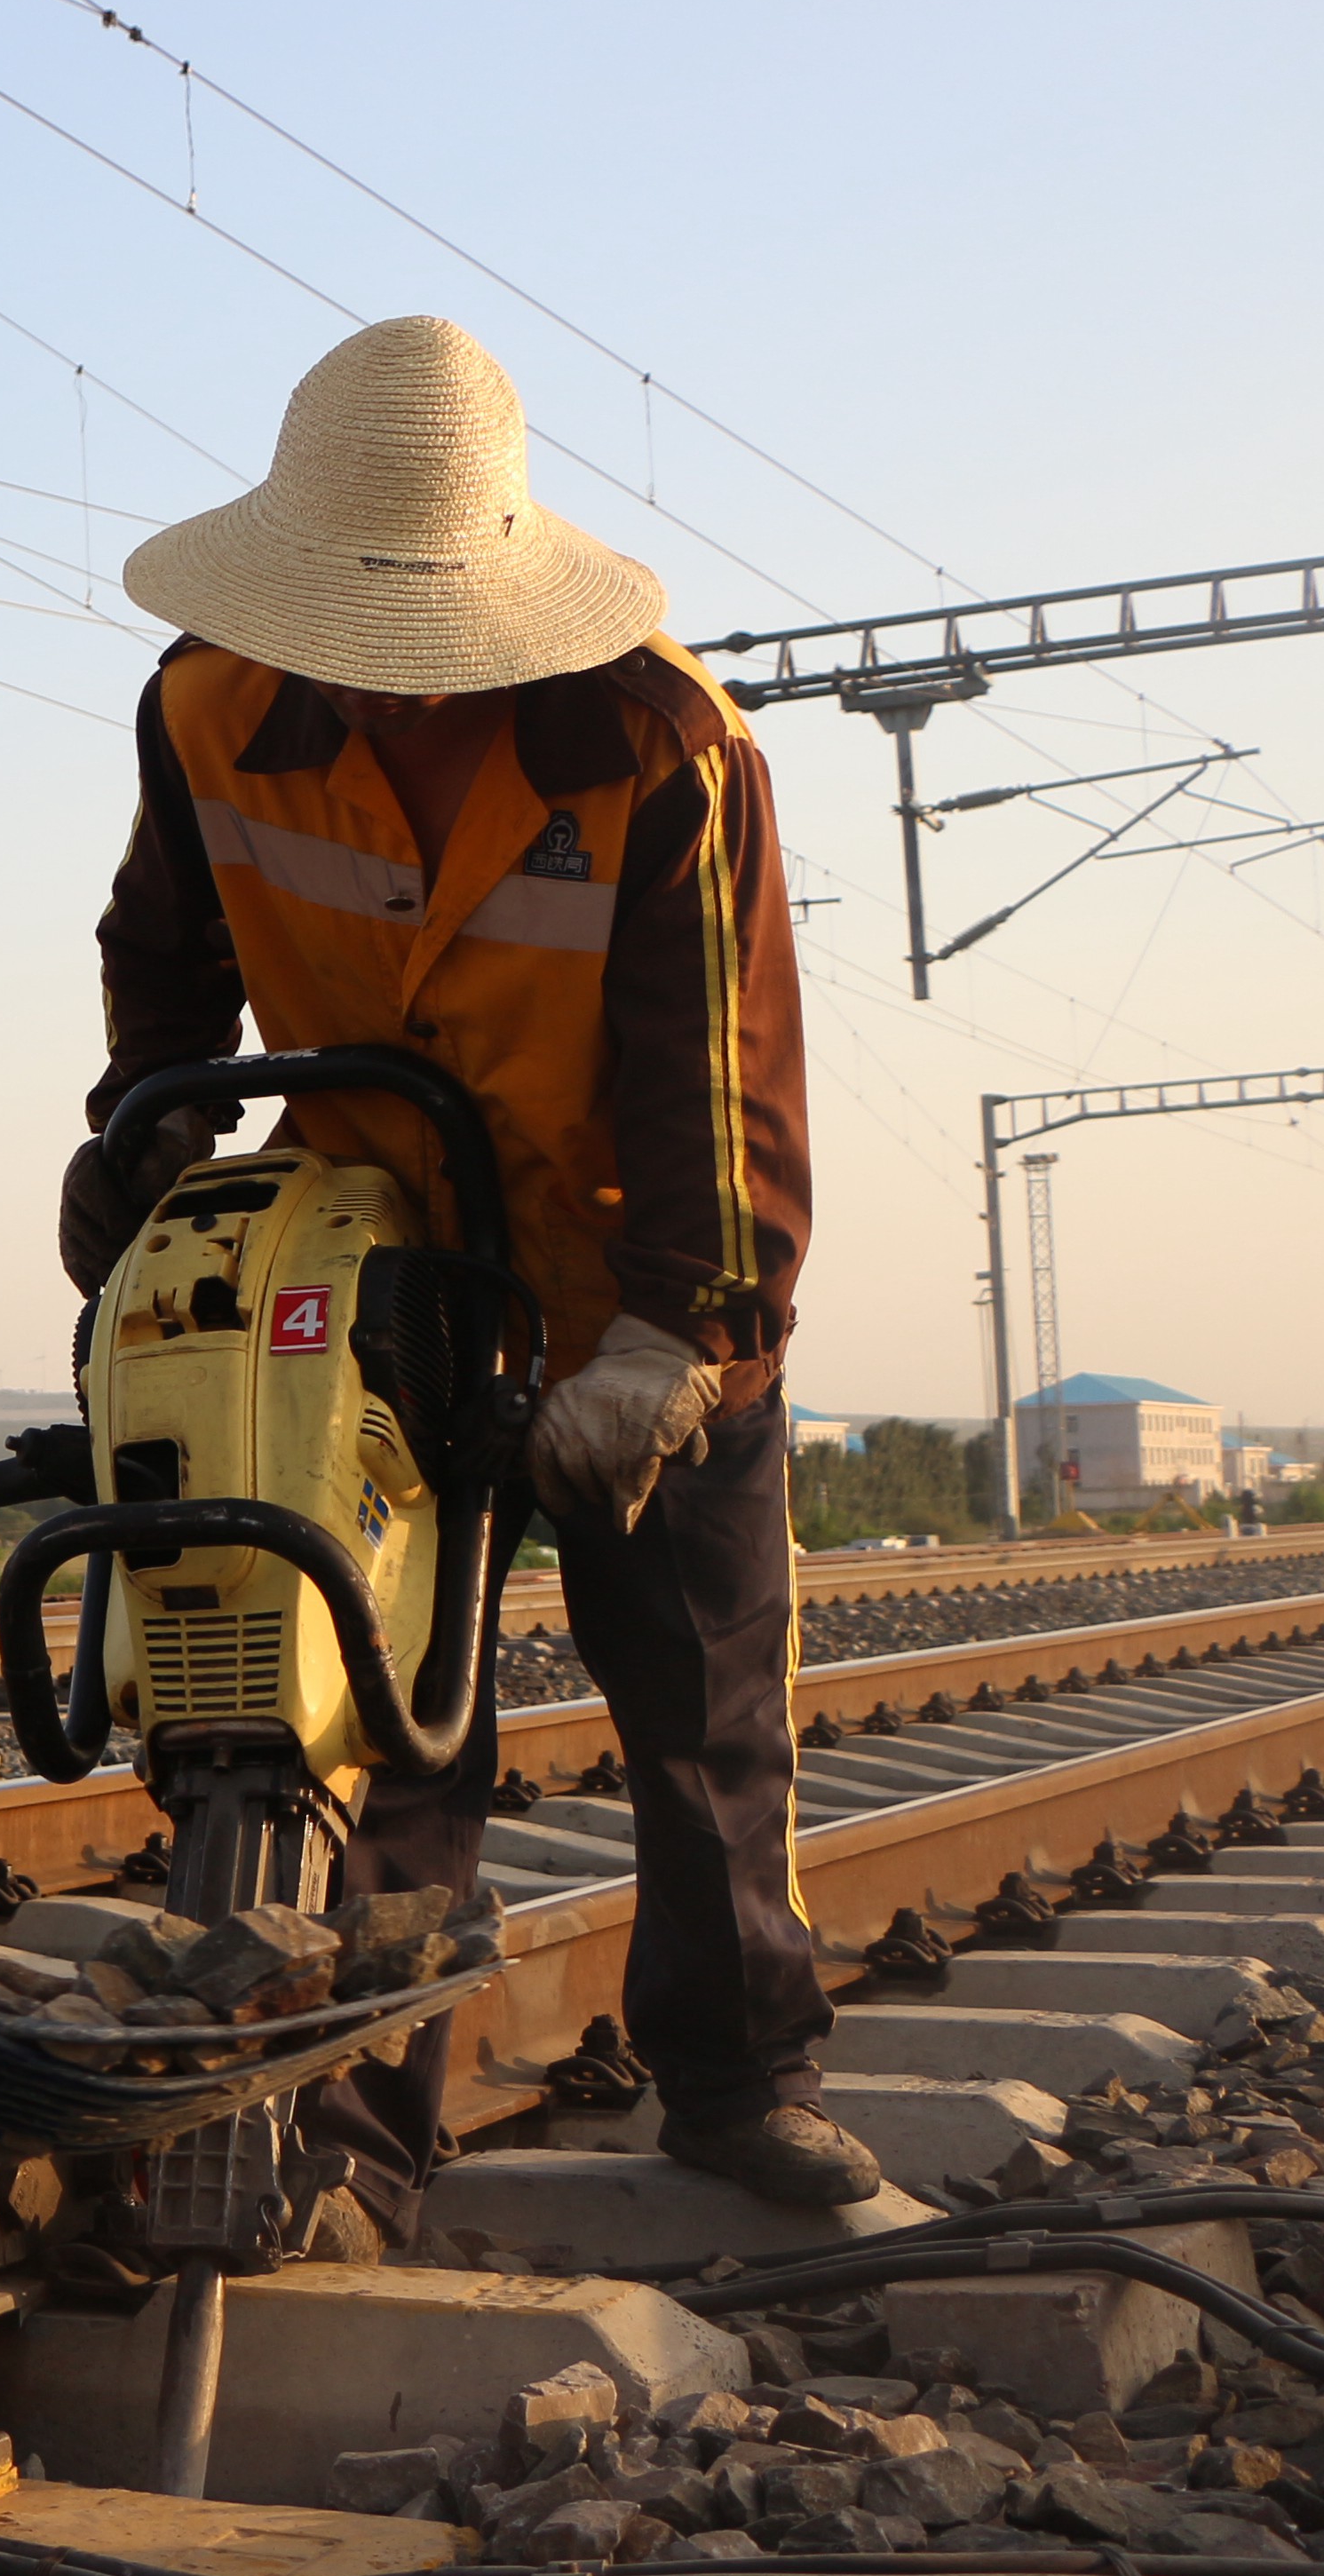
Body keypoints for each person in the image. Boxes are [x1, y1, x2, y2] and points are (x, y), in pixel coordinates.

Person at [70, 314, 876, 2222]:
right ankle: (350, 2146)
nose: (383, 686)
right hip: (369, 1273)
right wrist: (149, 1134)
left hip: (628, 1281)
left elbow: (721, 1076)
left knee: (697, 1717)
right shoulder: (203, 708)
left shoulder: (662, 746)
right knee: (366, 1713)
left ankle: (740, 2078)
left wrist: (676, 1340)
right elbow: (164, 962)